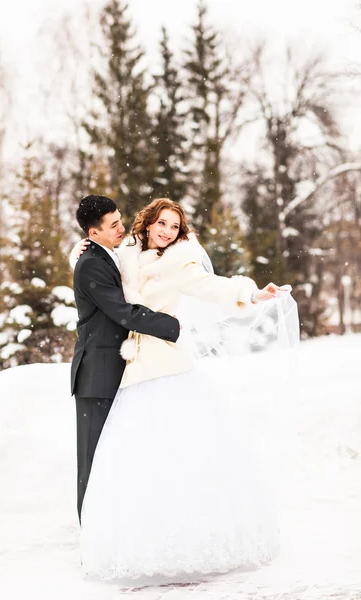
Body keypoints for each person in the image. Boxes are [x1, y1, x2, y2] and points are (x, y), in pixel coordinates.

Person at [71, 197, 295, 582]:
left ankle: (187, 536)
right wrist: (79, 250)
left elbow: (213, 286)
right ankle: (126, 536)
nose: (167, 232)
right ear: (148, 222)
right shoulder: (125, 252)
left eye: (174, 227)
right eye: (161, 223)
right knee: (131, 458)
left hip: (166, 363)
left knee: (178, 453)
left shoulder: (181, 261)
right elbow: (103, 276)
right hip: (132, 368)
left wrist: (254, 294)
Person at [71, 195, 180, 521]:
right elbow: (123, 312)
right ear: (94, 233)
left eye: (120, 219)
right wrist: (171, 325)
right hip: (96, 376)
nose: (121, 228)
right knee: (93, 460)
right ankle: (91, 533)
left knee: (115, 458)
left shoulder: (106, 254)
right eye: (113, 225)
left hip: (118, 371)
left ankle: (114, 529)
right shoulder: (91, 262)